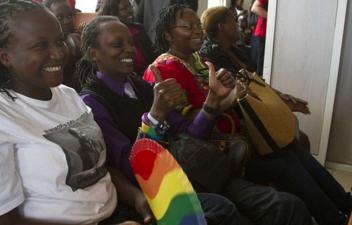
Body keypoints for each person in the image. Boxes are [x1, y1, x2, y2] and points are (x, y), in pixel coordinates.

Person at [78, 12, 313, 225]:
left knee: (288, 206)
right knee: (227, 211)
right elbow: (131, 169)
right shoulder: (93, 103)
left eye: (130, 42)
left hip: (195, 170)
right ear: (93, 54)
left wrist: (212, 104)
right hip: (164, 187)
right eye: (117, 45)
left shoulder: (141, 86)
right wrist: (154, 118)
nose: (129, 49)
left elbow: (190, 136)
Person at [0, 1, 152, 224]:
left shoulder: (67, 96)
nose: (58, 53)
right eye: (40, 46)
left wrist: (136, 198)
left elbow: (97, 167)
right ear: (5, 56)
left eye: (59, 41)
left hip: (118, 213)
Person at [198, 6, 352, 225]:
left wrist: (282, 98)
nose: (239, 24)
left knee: (295, 146)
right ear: (221, 26)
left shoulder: (236, 49)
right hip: (240, 129)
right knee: (286, 159)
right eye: (233, 20)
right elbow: (241, 94)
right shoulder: (210, 56)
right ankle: (332, 218)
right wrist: (279, 103)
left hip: (252, 120)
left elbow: (257, 84)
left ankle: (344, 203)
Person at [97, 0, 157, 76]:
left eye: (130, 6)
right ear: (113, 13)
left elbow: (152, 54)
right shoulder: (107, 37)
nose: (130, 10)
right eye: (124, 8)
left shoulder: (138, 29)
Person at [44, 0, 82, 91]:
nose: (67, 21)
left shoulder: (78, 38)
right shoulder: (46, 49)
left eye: (69, 16)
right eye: (60, 17)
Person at [250, 0, 267, 76]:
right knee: (260, 71)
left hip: (263, 34)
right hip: (262, 34)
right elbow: (255, 8)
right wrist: (273, 19)